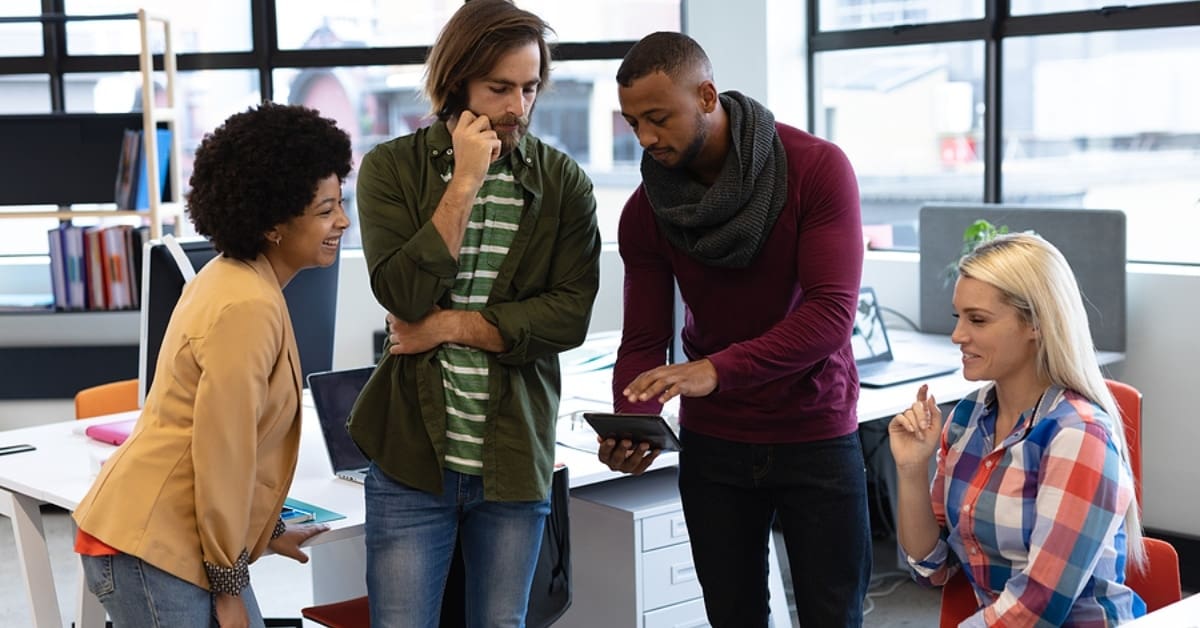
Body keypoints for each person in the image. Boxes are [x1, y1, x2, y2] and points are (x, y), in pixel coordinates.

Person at [599, 31, 871, 627]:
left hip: (814, 432)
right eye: (632, 122)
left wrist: (715, 370)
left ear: (705, 95)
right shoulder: (646, 210)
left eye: (657, 118)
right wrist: (634, 418)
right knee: (733, 617)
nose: (645, 138)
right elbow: (644, 340)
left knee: (834, 617)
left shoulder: (816, 168)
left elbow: (829, 314)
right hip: (716, 446)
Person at [348, 0, 601, 625]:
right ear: (457, 80)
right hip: (412, 456)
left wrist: (450, 326)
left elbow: (568, 318)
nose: (518, 107)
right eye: (499, 88)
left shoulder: (563, 183)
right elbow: (402, 296)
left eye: (530, 87)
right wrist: (463, 183)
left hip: (514, 458)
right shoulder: (391, 169)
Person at [72, 102, 352, 628]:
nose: (343, 220)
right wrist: (230, 584)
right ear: (273, 222)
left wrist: (263, 534)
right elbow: (222, 453)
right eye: (324, 209)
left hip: (165, 542)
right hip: (153, 546)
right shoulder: (246, 304)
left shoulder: (239, 279)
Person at [889, 232, 1146, 625]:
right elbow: (932, 568)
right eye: (958, 317)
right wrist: (910, 471)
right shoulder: (967, 419)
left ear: (1036, 325)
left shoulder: (1078, 435)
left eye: (978, 319)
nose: (957, 335)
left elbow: (1038, 608)